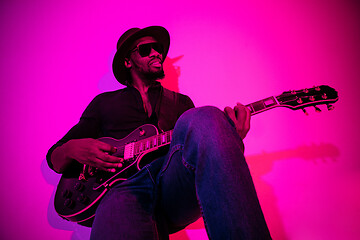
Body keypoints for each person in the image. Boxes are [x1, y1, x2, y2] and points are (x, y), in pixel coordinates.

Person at [47, 26, 272, 240]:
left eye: (159, 49)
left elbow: (198, 148)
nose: (156, 53)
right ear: (127, 61)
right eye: (146, 49)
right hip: (121, 187)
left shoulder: (181, 103)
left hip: (172, 183)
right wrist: (72, 148)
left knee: (207, 116)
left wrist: (227, 136)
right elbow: (55, 159)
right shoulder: (104, 103)